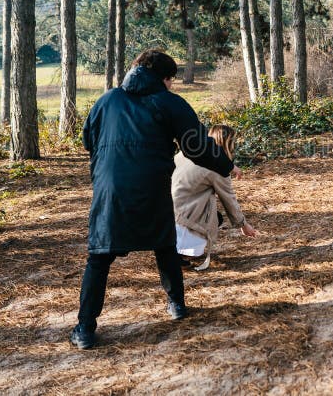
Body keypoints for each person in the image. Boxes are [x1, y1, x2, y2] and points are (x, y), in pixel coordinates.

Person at [70, 49, 240, 350]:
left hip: (110, 187)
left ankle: (84, 329)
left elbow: (88, 139)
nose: (172, 85)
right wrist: (227, 165)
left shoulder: (107, 100)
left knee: (99, 257)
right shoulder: (170, 103)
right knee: (164, 244)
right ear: (164, 78)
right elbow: (197, 148)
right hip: (152, 183)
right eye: (171, 80)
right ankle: (176, 306)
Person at [172, 125, 258, 271]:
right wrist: (243, 225)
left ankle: (176, 248)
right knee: (213, 219)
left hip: (165, 207)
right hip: (182, 214)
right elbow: (229, 199)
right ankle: (179, 252)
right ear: (227, 144)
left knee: (216, 217)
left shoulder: (187, 152)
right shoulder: (218, 168)